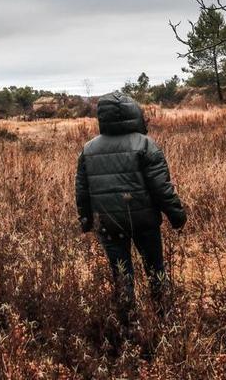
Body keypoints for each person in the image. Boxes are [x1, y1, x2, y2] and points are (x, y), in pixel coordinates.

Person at [75, 91, 186, 326]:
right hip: (145, 222)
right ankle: (164, 319)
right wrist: (176, 215)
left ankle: (129, 327)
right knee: (155, 270)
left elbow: (82, 191)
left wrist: (86, 221)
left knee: (121, 275)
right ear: (133, 114)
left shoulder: (88, 149)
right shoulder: (145, 144)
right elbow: (161, 187)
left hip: (107, 224)